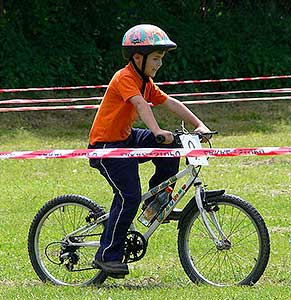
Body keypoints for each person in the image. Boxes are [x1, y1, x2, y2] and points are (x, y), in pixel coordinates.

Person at [88, 24, 211, 278]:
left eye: (161, 59)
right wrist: (156, 131)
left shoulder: (146, 82)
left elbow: (169, 102)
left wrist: (198, 124)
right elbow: (141, 106)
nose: (159, 64)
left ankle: (157, 203)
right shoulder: (124, 78)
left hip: (125, 139)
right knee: (129, 197)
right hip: (106, 147)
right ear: (137, 58)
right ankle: (107, 255)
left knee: (173, 144)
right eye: (156, 59)